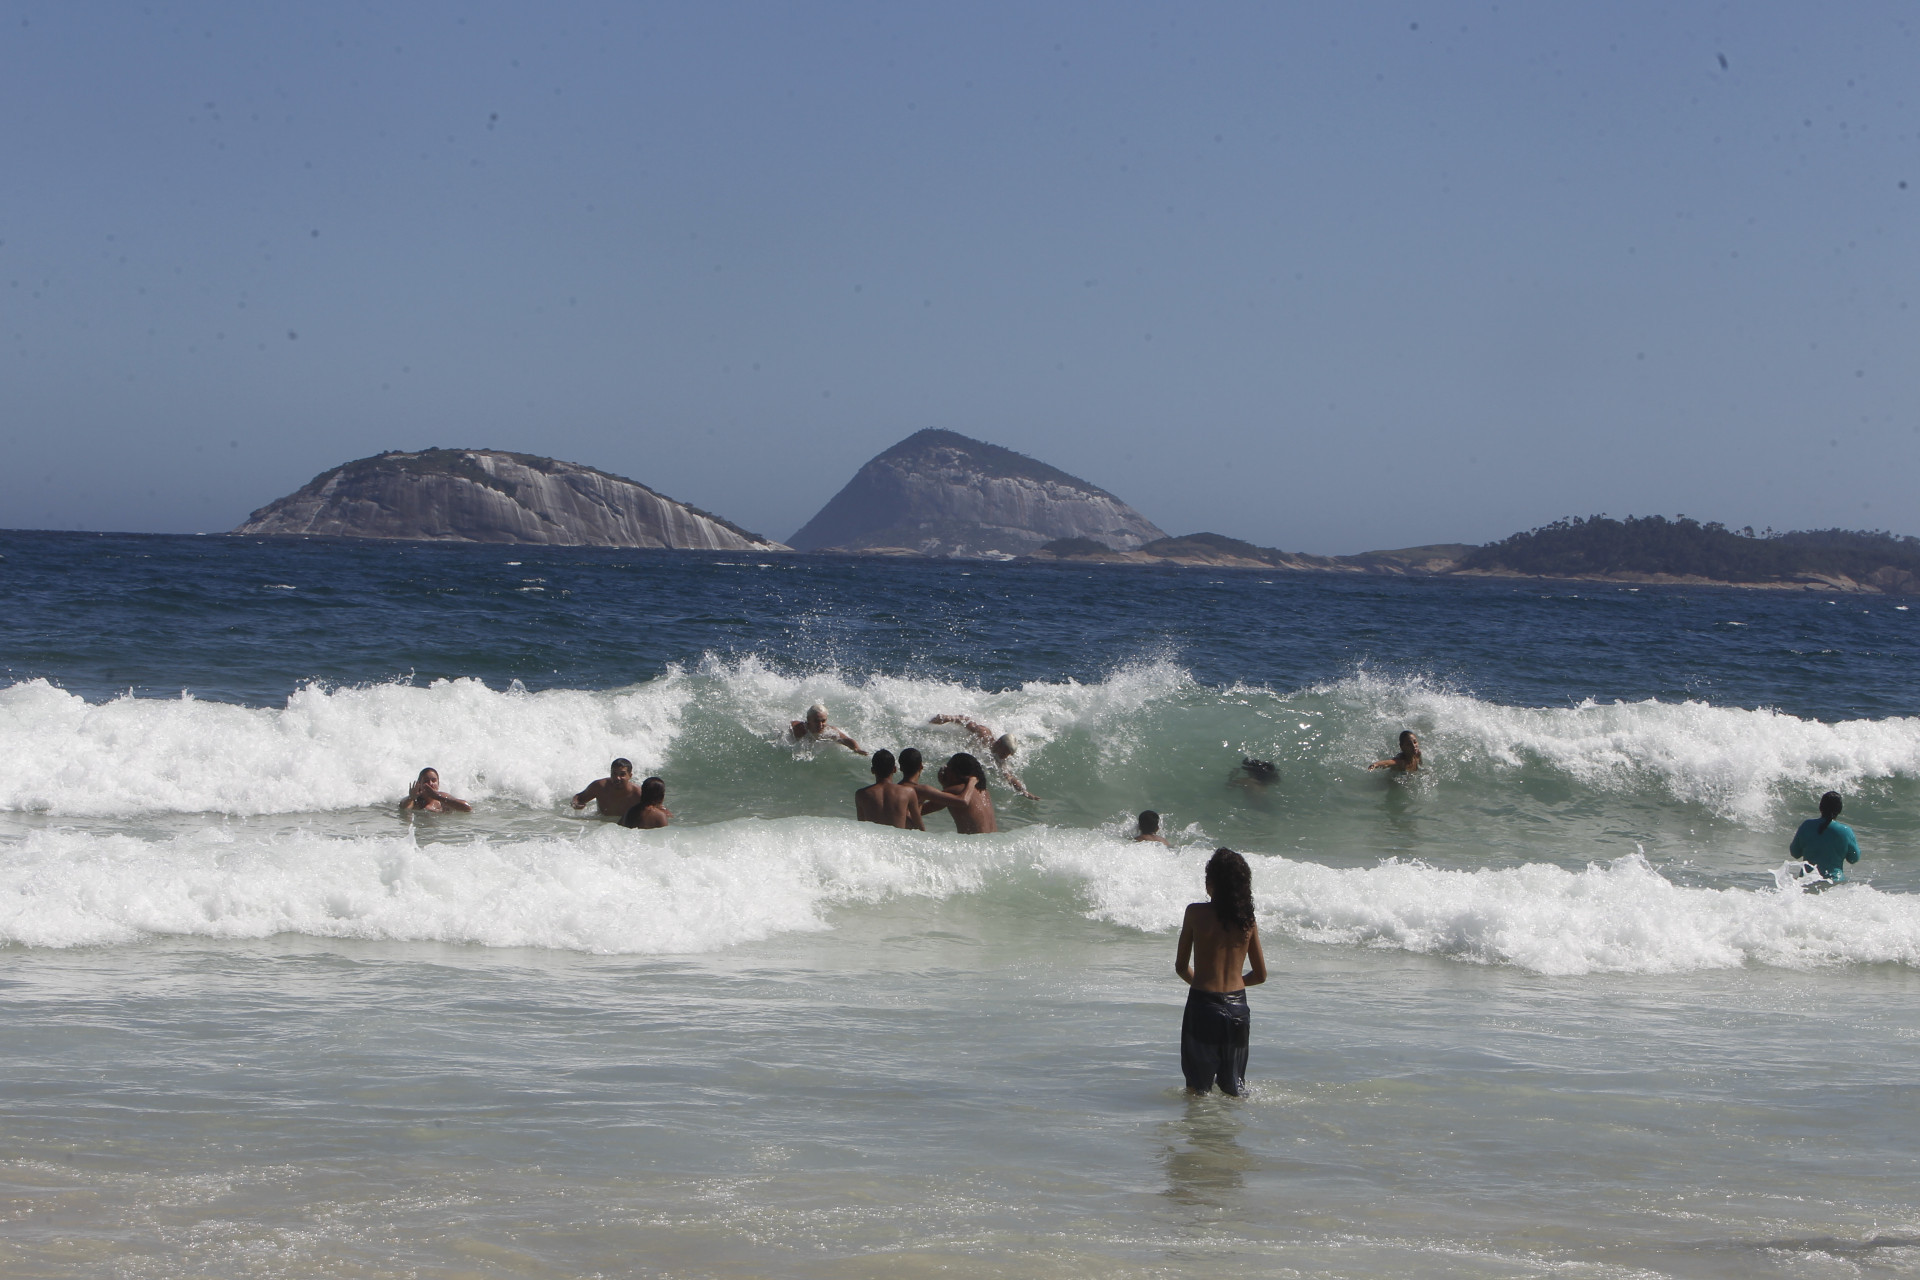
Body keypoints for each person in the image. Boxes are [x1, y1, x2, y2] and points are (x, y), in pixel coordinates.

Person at [1174, 848, 1266, 1096]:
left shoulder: (1195, 913)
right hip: (1238, 1009)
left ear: (1211, 883)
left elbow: (1181, 966)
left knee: (1197, 1090)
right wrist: (1235, 984)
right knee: (1234, 1090)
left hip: (1203, 1006)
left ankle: (1200, 1123)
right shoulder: (1247, 920)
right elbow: (1260, 975)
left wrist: (1203, 984)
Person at [930, 714, 1039, 799]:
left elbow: (1009, 777)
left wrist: (1023, 791)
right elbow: (966, 721)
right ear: (998, 743)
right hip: (962, 741)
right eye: (1004, 753)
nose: (1004, 757)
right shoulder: (984, 734)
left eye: (1007, 755)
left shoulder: (999, 760)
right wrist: (948, 718)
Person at [913, 752, 998, 833]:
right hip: (991, 842)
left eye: (947, 769)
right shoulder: (984, 791)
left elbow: (916, 811)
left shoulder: (956, 790)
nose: (944, 772)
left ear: (953, 773)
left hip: (973, 842)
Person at [1790, 791, 1860, 884]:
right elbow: (1854, 859)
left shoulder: (1806, 826)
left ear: (1820, 807)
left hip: (1807, 880)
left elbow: (1795, 853)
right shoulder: (1846, 831)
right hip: (1834, 883)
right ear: (1839, 810)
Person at [855, 749, 926, 829]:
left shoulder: (861, 794)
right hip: (897, 837)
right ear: (894, 769)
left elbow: (862, 827)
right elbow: (919, 827)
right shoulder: (908, 792)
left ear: (872, 770)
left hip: (873, 837)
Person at [572, 757, 644, 816]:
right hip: (600, 825)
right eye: (614, 774)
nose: (617, 778)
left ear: (630, 776)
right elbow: (579, 797)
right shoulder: (600, 786)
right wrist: (575, 804)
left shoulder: (638, 794)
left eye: (622, 774)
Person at [791, 702, 867, 755]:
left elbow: (847, 740)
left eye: (823, 721)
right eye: (816, 721)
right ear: (808, 720)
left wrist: (857, 749)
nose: (820, 725)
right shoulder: (799, 728)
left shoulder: (829, 731)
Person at [401, 767, 472, 813]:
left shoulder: (443, 798)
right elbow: (403, 808)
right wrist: (411, 798)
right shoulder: (416, 801)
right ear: (420, 784)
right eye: (426, 781)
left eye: (434, 780)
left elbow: (467, 808)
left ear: (438, 783)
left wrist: (437, 796)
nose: (430, 783)